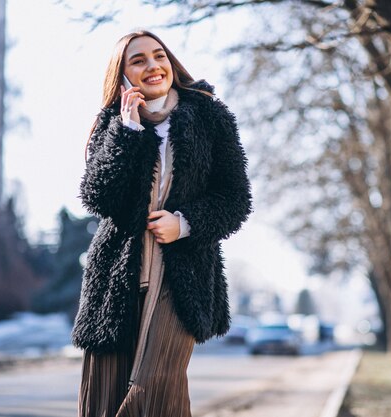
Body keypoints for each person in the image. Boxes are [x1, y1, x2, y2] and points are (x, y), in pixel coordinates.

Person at [71, 30, 252, 417]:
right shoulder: (114, 124)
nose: (153, 66)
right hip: (115, 283)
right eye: (138, 61)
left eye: (159, 56)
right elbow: (99, 198)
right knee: (104, 398)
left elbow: (235, 199)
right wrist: (129, 131)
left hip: (182, 278)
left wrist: (183, 223)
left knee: (154, 387)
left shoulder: (209, 117)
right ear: (122, 76)